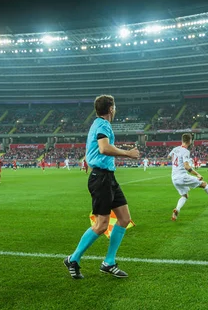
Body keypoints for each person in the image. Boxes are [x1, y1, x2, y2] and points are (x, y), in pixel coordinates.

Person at [64, 95, 140, 280]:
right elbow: (104, 148)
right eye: (115, 106)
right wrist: (128, 154)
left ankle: (109, 262)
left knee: (124, 218)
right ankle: (73, 259)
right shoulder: (103, 125)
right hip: (101, 178)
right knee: (101, 225)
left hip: (108, 177)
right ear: (111, 108)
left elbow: (101, 148)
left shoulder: (98, 124)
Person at [169, 134, 208, 221]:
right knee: (204, 184)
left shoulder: (175, 149)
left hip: (174, 178)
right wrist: (197, 174)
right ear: (190, 141)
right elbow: (186, 166)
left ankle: (177, 209)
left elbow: (169, 156)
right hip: (182, 176)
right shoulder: (185, 151)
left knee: (185, 195)